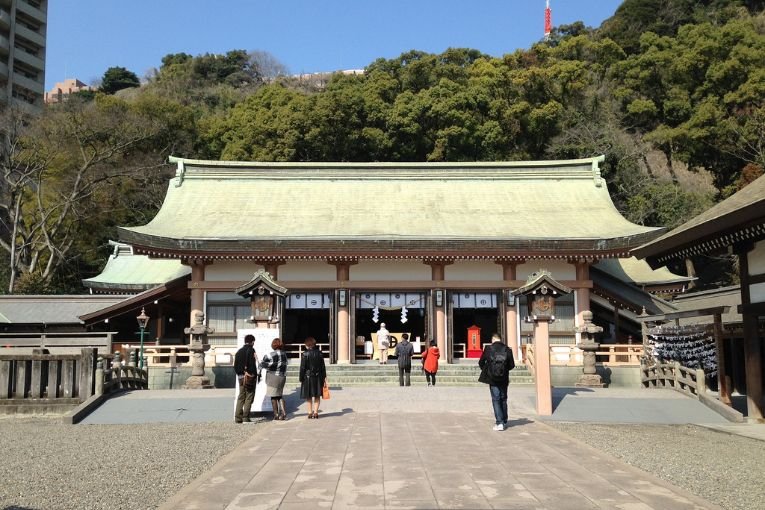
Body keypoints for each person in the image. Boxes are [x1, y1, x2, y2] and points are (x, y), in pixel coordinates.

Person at [478, 333, 515, 431]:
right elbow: (512, 365)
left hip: (492, 379)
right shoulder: (507, 349)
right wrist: (503, 370)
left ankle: (499, 422)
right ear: (500, 339)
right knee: (503, 398)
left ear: (493, 340)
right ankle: (504, 419)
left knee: (496, 399)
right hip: (504, 378)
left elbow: (481, 362)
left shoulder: (488, 349)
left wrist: (489, 370)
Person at [261, 337, 288, 421]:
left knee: (273, 397)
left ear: (273, 345)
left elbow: (263, 363)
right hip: (282, 377)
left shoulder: (270, 354)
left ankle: (276, 415)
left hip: (273, 377)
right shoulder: (284, 354)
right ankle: (283, 414)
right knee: (280, 395)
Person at [299, 336, 326, 419]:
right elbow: (323, 367)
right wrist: (324, 377)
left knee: (309, 396)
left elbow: (302, 367)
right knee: (317, 395)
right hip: (318, 377)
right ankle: (316, 412)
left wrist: (301, 377)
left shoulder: (305, 354)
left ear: (307, 344)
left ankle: (310, 413)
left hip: (307, 377)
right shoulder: (320, 353)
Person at [234, 334, 258, 423]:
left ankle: (237, 417)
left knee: (241, 396)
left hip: (240, 377)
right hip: (249, 377)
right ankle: (245, 417)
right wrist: (253, 375)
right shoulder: (251, 350)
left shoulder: (239, 351)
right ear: (252, 342)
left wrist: (240, 373)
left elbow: (235, 366)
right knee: (249, 396)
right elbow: (252, 365)